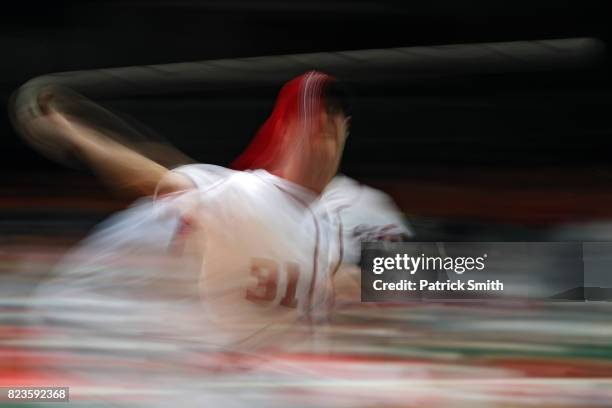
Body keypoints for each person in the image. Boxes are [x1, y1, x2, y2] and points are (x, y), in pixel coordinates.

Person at [15, 71, 410, 349]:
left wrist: (460, 276)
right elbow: (148, 178)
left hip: (276, 377)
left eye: (333, 118)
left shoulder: (336, 218)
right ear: (287, 130)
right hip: (216, 372)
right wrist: (72, 131)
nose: (324, 126)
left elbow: (359, 283)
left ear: (347, 130)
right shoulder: (243, 192)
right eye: (313, 118)